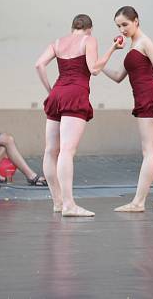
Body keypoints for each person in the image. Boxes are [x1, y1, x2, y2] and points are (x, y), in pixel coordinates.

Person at [36, 14, 117, 217]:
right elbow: (94, 69)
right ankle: (69, 205)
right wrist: (113, 49)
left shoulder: (57, 42)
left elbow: (39, 65)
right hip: (76, 92)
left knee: (50, 151)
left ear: (72, 27)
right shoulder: (89, 40)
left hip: (57, 92)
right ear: (89, 29)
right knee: (66, 151)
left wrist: (50, 91)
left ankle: (58, 202)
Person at [103, 6, 153, 212]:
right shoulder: (133, 45)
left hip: (150, 99)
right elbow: (119, 76)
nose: (122, 29)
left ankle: (138, 202)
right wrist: (100, 66)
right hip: (149, 99)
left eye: (125, 24)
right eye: (118, 26)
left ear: (136, 21)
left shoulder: (145, 42)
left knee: (149, 151)